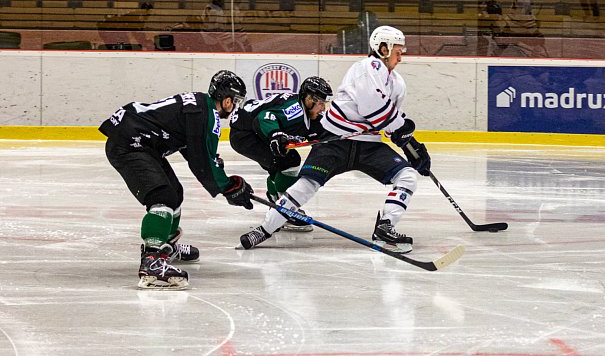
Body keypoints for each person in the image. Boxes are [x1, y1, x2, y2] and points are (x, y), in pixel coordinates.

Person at [238, 26, 431, 254]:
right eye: (398, 50)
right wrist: (402, 131)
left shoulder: (398, 83)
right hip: (335, 141)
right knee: (305, 186)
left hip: (369, 145)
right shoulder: (366, 68)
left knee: (407, 176)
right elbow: (375, 110)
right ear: (383, 48)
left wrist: (411, 145)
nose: (402, 55)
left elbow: (391, 124)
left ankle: (385, 226)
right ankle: (265, 228)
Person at [99, 70, 253, 290]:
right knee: (162, 196)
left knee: (175, 192)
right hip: (129, 144)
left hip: (140, 141)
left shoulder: (201, 107)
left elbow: (196, 153)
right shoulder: (206, 115)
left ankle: (166, 245)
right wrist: (228, 187)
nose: (234, 106)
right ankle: (152, 262)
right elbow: (203, 162)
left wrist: (226, 185)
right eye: (235, 101)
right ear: (227, 99)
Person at [229, 76, 333, 232]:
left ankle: (277, 202)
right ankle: (285, 209)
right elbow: (264, 117)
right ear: (308, 98)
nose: (322, 108)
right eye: (320, 103)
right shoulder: (296, 109)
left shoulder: (307, 111)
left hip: (251, 131)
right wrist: (275, 135)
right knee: (289, 160)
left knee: (280, 162)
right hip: (245, 134)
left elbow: (323, 127)